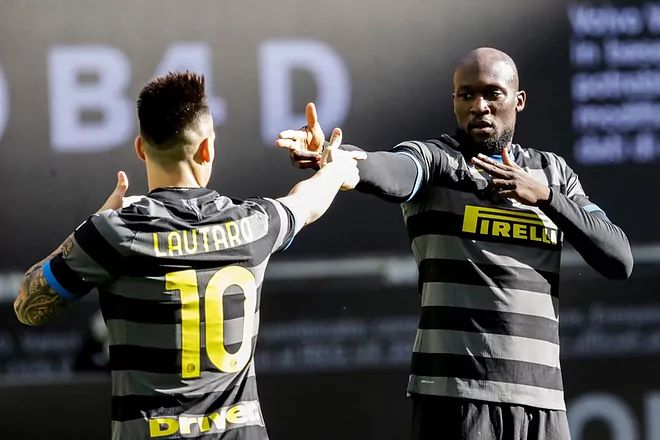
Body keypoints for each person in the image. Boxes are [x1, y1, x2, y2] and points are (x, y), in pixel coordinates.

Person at [276, 47, 634, 440]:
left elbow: (619, 258)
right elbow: (389, 170)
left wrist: (546, 198)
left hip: (543, 403)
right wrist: (337, 160)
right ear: (454, 102)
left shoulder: (553, 174)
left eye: (492, 94)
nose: (479, 106)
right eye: (466, 95)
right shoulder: (437, 161)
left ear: (518, 100)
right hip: (456, 399)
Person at [14, 71, 364, 440]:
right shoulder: (254, 224)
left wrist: (94, 223)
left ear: (140, 148)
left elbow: (27, 305)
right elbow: (306, 202)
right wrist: (330, 163)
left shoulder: (113, 234)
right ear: (207, 149)